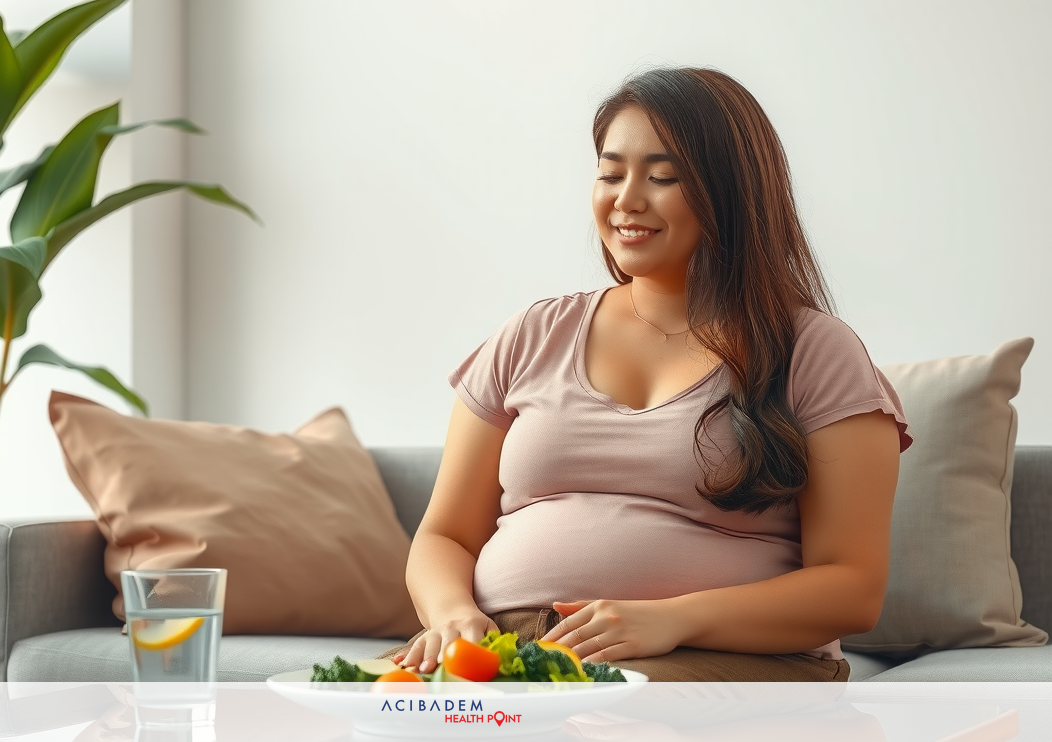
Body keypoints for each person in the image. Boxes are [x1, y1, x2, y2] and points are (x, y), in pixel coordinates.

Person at [381, 67, 913, 681]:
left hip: (715, 654)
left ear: (732, 193)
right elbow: (442, 536)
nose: (626, 199)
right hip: (506, 649)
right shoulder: (532, 335)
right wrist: (450, 615)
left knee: (609, 720)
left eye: (663, 177)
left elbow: (853, 588)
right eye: (610, 173)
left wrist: (671, 619)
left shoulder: (815, 353)